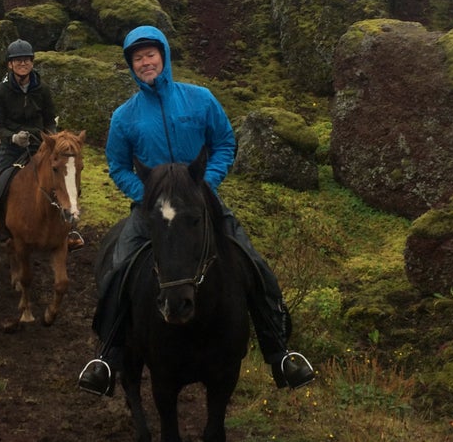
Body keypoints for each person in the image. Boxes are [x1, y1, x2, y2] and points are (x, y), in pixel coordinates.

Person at [78, 25, 315, 396]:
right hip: (151, 211)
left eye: (150, 54)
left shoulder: (200, 99)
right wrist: (149, 195)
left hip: (202, 203)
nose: (145, 62)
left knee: (254, 264)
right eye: (137, 58)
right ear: (131, 65)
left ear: (164, 55)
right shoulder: (124, 117)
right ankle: (107, 358)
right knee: (117, 270)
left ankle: (280, 353)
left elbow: (223, 143)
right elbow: (118, 165)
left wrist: (204, 186)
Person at [0, 39, 84, 257]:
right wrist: (13, 137)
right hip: (11, 148)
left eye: (26, 60)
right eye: (17, 60)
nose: (23, 63)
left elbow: (49, 120)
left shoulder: (43, 90)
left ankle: (71, 230)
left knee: (66, 178)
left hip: (40, 145)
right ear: (10, 65)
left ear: (32, 63)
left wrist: (51, 136)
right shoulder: (0, 91)